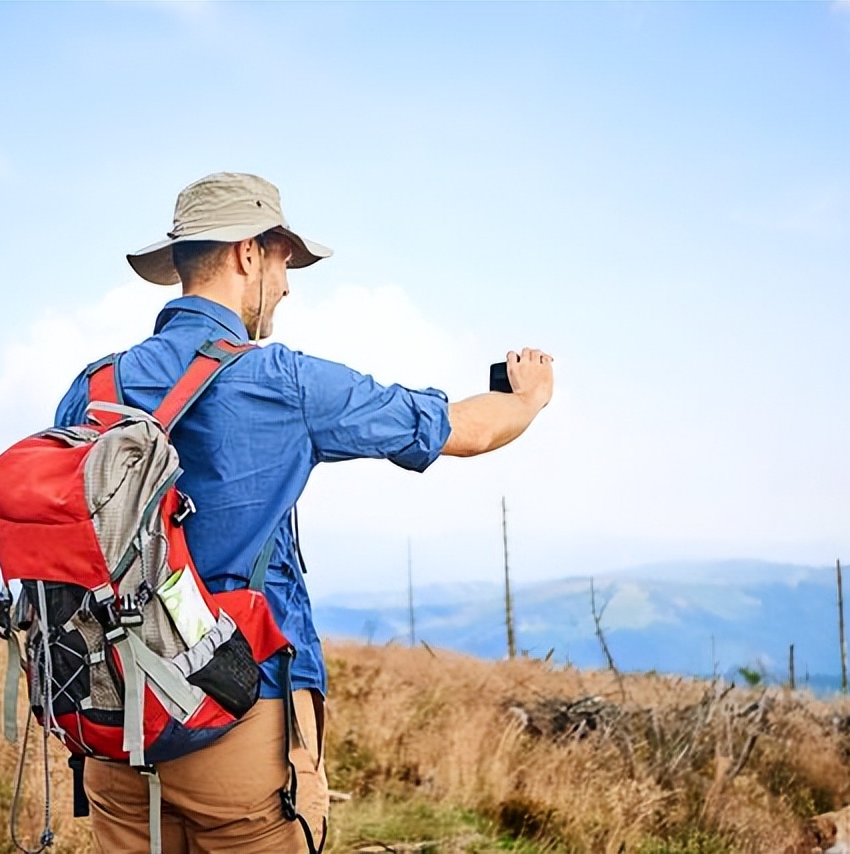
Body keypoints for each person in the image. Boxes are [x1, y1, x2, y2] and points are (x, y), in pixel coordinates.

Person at [53, 172, 554, 854]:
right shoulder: (282, 382)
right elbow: (459, 430)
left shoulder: (94, 388)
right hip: (236, 719)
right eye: (285, 257)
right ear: (248, 254)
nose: (287, 283)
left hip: (115, 729)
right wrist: (528, 399)